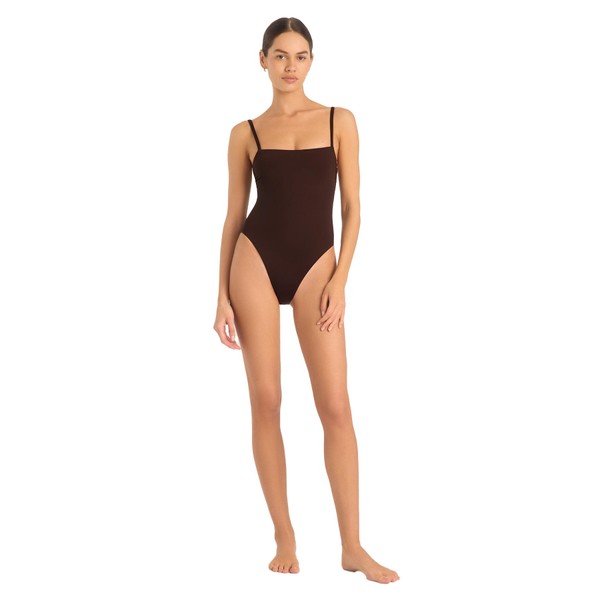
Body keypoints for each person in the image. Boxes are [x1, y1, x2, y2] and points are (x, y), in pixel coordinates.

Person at [213, 17, 400, 585]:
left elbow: (353, 208)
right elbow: (233, 215)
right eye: (280, 56)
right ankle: (284, 534)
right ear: (262, 61)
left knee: (336, 406)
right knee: (266, 400)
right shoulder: (246, 132)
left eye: (300, 56)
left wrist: (341, 280)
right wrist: (220, 294)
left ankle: (353, 546)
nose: (290, 66)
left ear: (311, 62)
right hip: (254, 259)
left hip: (319, 265)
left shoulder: (340, 120)